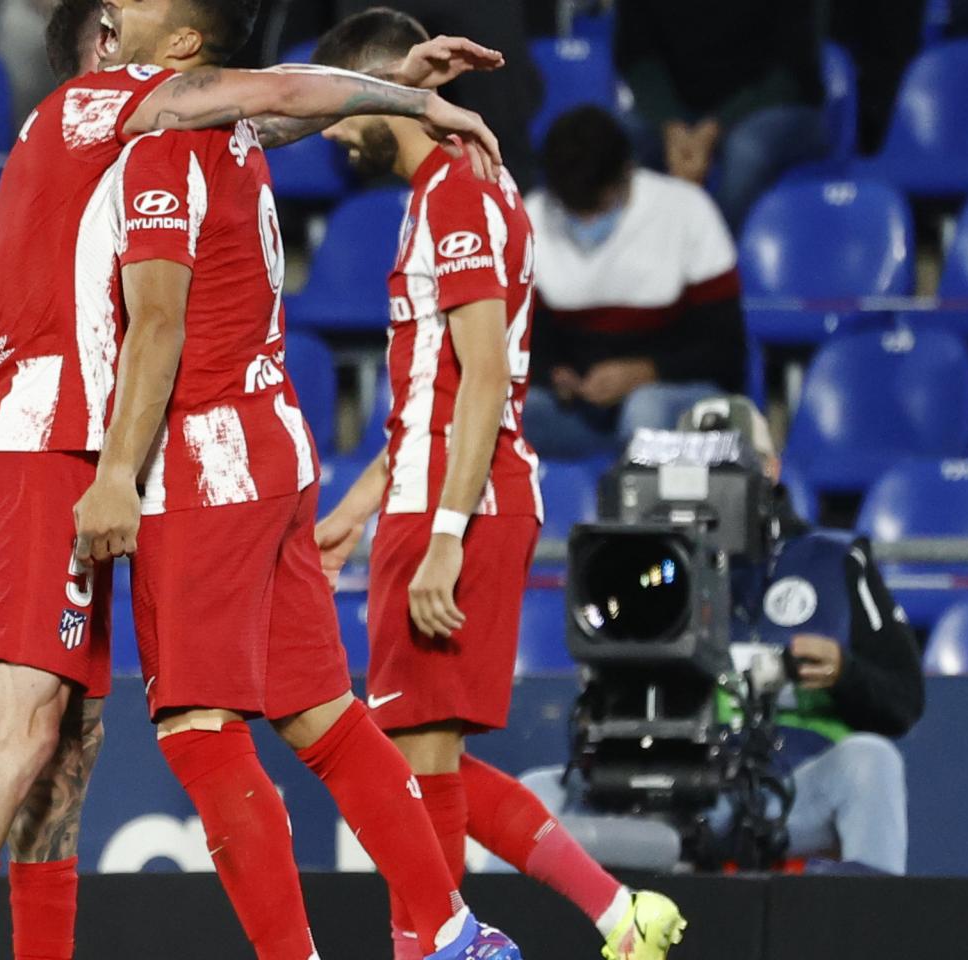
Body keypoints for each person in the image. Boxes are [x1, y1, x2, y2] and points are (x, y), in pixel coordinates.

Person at [0, 0, 507, 956]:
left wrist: (118, 472)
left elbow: (162, 321)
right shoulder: (182, 122)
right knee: (316, 714)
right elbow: (279, 101)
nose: (119, 18)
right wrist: (395, 88)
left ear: (181, 52)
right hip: (259, 445)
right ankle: (449, 931)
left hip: (196, 461)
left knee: (188, 729)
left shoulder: (159, 135)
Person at [311, 12, 687, 960]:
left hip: (460, 507)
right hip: (435, 494)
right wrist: (354, 515)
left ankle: (443, 948)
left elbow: (483, 376)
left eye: (333, 101)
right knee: (420, 761)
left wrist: (443, 532)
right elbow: (429, 397)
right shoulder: (443, 192)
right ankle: (613, 914)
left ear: (373, 87)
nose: (326, 127)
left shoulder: (458, 197)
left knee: (413, 768)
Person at [521, 395, 924, 877]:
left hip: (789, 789)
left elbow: (905, 700)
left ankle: (871, 936)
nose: (711, 484)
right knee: (530, 797)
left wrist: (846, 673)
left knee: (871, 761)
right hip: (664, 794)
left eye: (730, 467)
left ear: (771, 469)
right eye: (698, 465)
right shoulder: (642, 568)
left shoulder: (833, 561)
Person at [520, 106, 747, 461]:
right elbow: (520, 341)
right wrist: (552, 375)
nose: (587, 219)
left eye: (597, 205)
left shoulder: (687, 212)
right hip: (581, 415)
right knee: (511, 411)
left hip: (673, 395)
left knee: (645, 410)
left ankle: (631, 501)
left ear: (627, 173)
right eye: (572, 208)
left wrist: (648, 372)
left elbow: (727, 352)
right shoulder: (532, 218)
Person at [613, 0, 827, 230]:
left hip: (772, 104)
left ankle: (713, 257)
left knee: (747, 153)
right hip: (679, 107)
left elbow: (791, 72)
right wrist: (671, 125)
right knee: (616, 140)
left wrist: (713, 128)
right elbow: (636, 57)